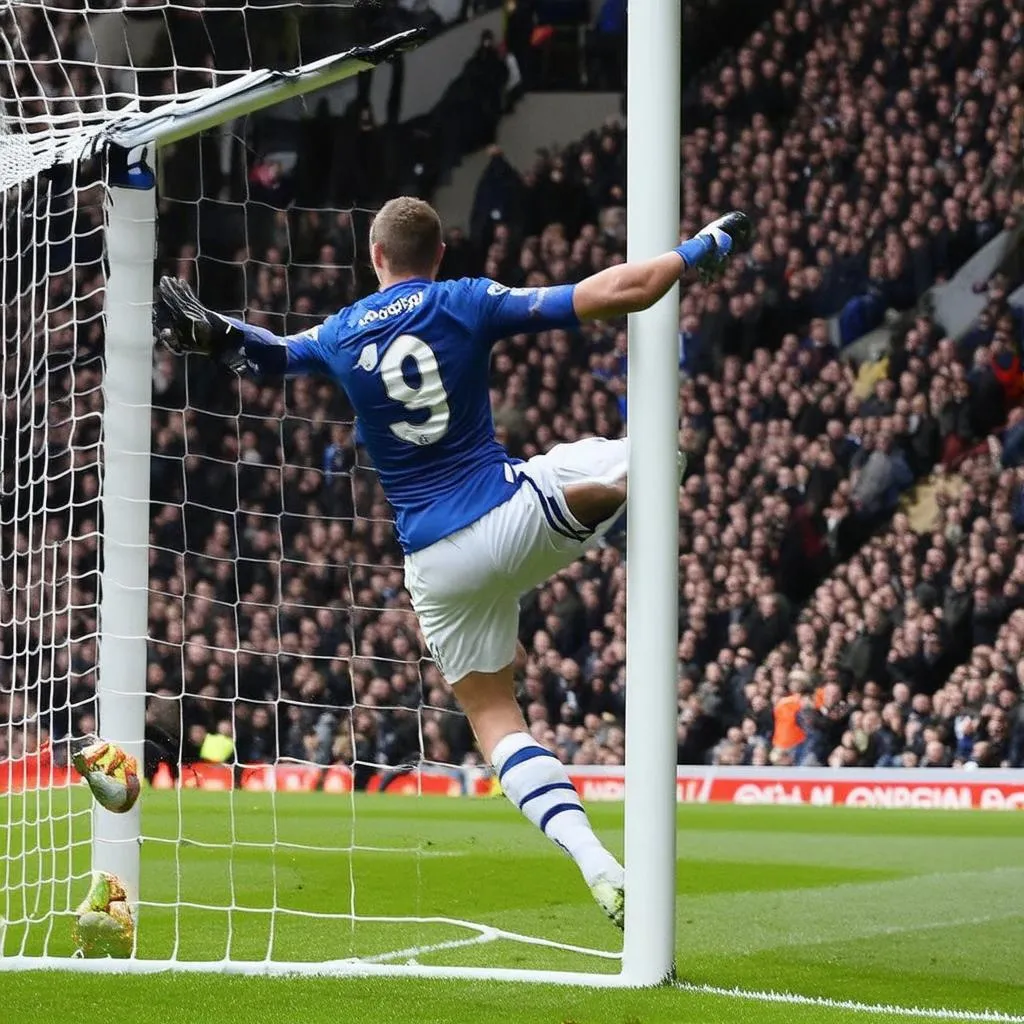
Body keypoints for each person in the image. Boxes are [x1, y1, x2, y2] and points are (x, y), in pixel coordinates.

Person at [153, 196, 751, 928]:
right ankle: (624, 488)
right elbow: (612, 293)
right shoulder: (466, 300)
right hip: (505, 514)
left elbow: (268, 354)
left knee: (496, 719)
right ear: (438, 256)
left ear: (376, 256)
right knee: (645, 452)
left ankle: (595, 860)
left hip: (433, 566)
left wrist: (215, 336)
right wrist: (698, 253)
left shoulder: (341, 332)